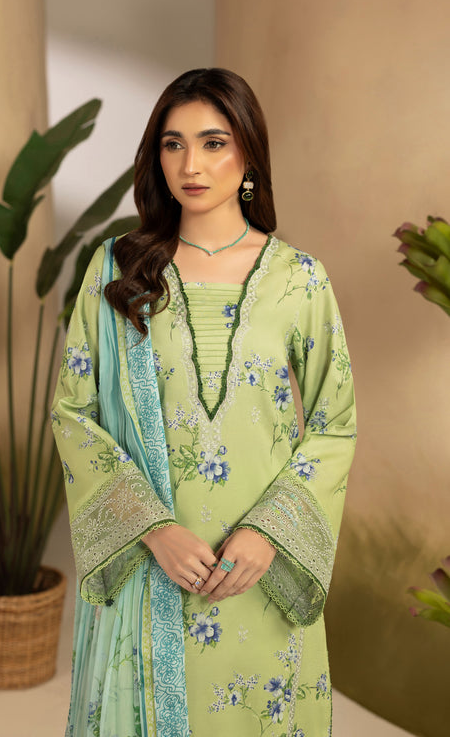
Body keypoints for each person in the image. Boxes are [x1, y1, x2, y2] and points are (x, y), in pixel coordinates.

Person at [51, 67, 356, 737]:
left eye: (213, 143)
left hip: (259, 570)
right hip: (153, 564)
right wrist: (152, 529)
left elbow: (334, 424)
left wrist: (269, 533)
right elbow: (73, 412)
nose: (190, 164)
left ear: (248, 154)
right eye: (173, 144)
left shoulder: (300, 279)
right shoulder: (118, 270)